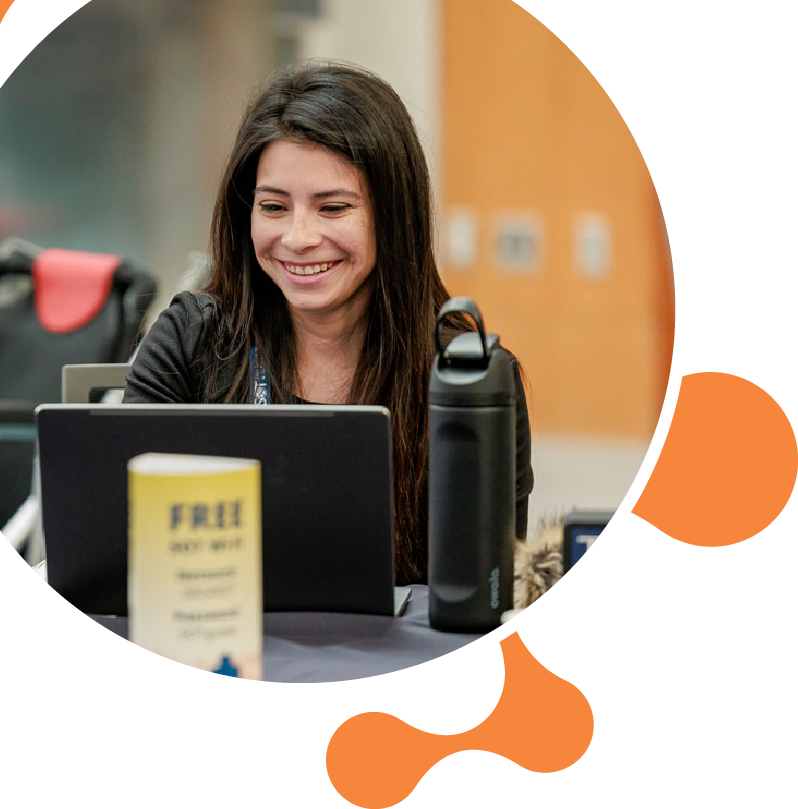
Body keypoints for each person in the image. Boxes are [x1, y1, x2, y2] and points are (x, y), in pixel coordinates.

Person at [124, 61, 534, 584]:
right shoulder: (192, 340)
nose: (297, 237)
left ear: (392, 214)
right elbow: (123, 544)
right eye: (273, 206)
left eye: (333, 208)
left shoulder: (471, 380)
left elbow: (488, 588)